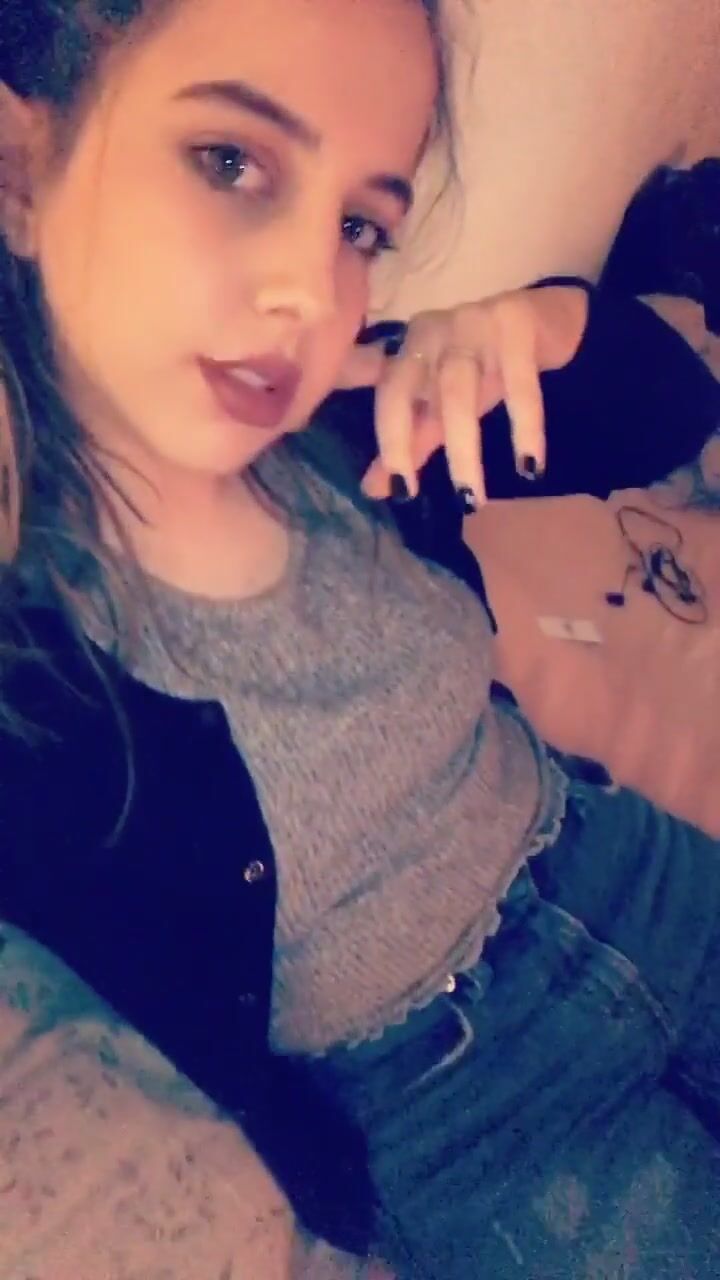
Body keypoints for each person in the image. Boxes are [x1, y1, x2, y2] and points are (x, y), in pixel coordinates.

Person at [0, 0, 719, 1276]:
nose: (308, 291)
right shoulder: (34, 642)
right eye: (230, 160)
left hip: (623, 865)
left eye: (360, 226)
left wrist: (529, 322)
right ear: (20, 165)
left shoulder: (354, 422)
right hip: (467, 1109)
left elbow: (674, 403)